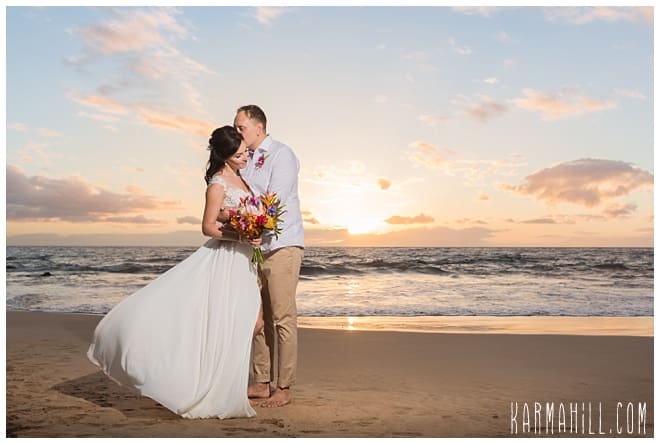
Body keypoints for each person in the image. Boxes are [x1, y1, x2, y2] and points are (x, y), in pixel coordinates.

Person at [87, 126, 264, 419]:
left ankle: (220, 382)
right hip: (227, 260)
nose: (245, 157)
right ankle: (196, 380)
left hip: (245, 260)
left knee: (250, 323)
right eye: (239, 155)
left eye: (245, 151)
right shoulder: (218, 184)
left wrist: (254, 228)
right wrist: (241, 236)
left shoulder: (242, 176)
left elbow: (242, 214)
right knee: (238, 322)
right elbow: (208, 226)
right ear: (224, 157)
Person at [232, 105, 304, 408]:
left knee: (282, 317)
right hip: (253, 247)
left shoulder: (282, 154)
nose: (237, 132)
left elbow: (276, 200)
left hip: (282, 245)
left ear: (258, 127)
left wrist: (258, 226)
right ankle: (261, 381)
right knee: (257, 315)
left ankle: (283, 386)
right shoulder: (244, 159)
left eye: (241, 127)